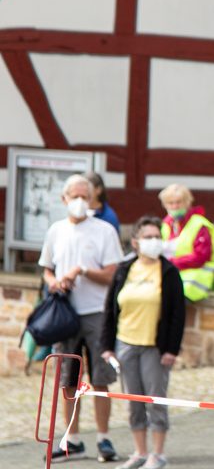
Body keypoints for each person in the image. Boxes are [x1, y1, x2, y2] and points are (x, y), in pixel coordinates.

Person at [40, 174, 124, 462]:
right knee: (68, 380)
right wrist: (53, 282)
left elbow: (113, 273)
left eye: (84, 196)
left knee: (100, 378)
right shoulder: (56, 230)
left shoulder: (103, 230)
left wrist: (84, 271)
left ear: (92, 199)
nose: (79, 201)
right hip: (66, 312)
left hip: (97, 312)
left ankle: (103, 437)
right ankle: (72, 438)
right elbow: (47, 267)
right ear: (64, 199)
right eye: (73, 196)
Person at [101, 217, 186, 469]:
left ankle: (158, 454)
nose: (153, 241)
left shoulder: (168, 272)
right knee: (133, 401)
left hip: (154, 348)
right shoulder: (125, 269)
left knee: (155, 400)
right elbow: (110, 309)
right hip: (126, 344)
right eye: (148, 236)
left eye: (157, 236)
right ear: (136, 242)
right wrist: (106, 345)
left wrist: (171, 349)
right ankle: (139, 451)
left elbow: (177, 315)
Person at [158, 184, 214, 302]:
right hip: (169, 276)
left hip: (193, 283)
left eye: (178, 202)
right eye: (170, 203)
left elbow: (200, 257)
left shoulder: (199, 224)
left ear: (187, 202)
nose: (175, 206)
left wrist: (170, 263)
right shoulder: (165, 225)